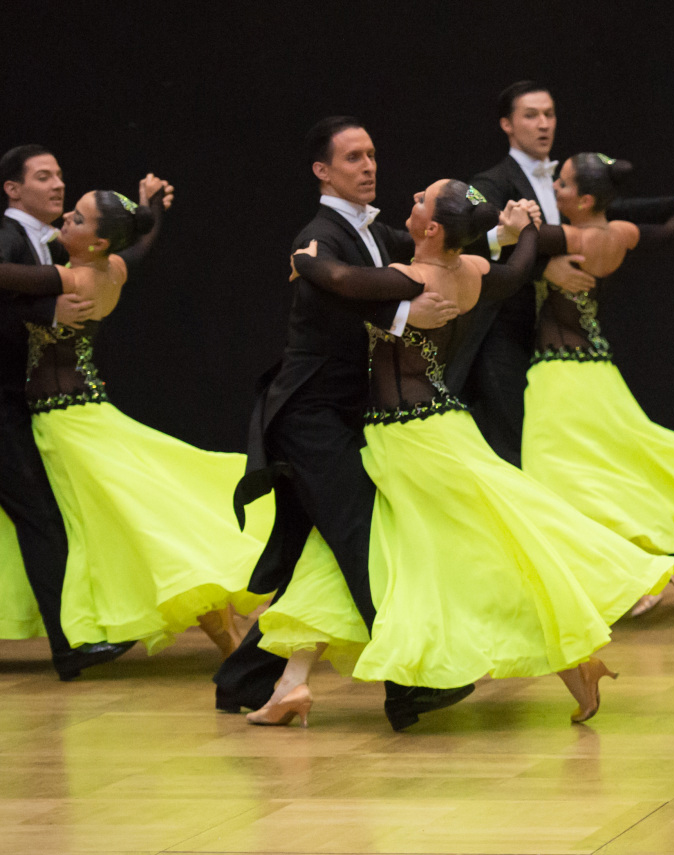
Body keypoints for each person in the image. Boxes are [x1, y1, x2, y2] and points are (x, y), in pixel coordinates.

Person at [250, 180, 674, 728]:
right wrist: (522, 235)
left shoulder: (409, 279)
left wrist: (305, 259)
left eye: (420, 200)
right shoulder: (471, 271)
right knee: (357, 546)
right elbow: (518, 273)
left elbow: (339, 278)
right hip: (442, 424)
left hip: (407, 439)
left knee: (441, 552)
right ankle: (292, 682)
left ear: (431, 228)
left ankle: (573, 662)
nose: (412, 200)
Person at [216, 117, 471, 730]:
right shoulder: (318, 237)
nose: (368, 165)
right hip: (307, 415)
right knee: (361, 535)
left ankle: (246, 679)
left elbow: (438, 256)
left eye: (372, 154)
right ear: (322, 171)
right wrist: (409, 296)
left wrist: (505, 236)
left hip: (346, 413)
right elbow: (348, 285)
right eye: (353, 157)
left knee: (321, 550)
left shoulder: (374, 231)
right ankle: (409, 685)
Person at [0, 179, 298, 663]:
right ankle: (226, 632)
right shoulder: (111, 269)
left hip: (63, 424)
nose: (64, 221)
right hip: (88, 411)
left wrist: (145, 213)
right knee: (147, 515)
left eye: (75, 219)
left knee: (136, 523)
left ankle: (211, 625)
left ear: (96, 242)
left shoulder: (71, 281)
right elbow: (138, 248)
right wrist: (149, 211)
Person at [519, 152, 674, 617]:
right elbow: (668, 231)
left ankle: (625, 572)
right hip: (597, 369)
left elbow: (508, 241)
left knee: (562, 479)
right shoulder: (620, 234)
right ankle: (629, 569)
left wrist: (526, 239)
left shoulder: (569, 238)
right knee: (619, 468)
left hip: (560, 375)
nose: (554, 191)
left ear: (586, 198)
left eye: (564, 185)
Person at [458, 80, 674, 466]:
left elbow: (609, 212)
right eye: (531, 115)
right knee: (517, 446)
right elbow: (476, 243)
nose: (544, 123)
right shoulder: (491, 183)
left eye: (549, 113)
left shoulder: (568, 181)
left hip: (556, 346)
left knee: (566, 452)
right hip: (506, 333)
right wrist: (545, 268)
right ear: (507, 125)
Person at [0, 145, 135, 678]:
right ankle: (69, 644)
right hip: (4, 401)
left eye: (59, 174)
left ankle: (75, 635)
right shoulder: (10, 239)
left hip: (19, 402)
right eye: (42, 176)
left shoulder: (52, 245)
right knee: (40, 517)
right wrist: (46, 306)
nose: (57, 185)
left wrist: (149, 212)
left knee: (42, 518)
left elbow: (127, 254)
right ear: (12, 189)